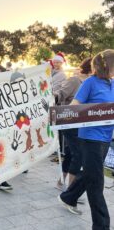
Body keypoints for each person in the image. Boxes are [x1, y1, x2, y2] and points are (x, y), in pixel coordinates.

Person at [58, 49, 114, 230]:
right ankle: (101, 226)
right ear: (108, 65)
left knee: (91, 174)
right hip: (90, 139)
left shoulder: (112, 83)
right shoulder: (90, 83)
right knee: (97, 183)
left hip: (105, 138)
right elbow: (74, 108)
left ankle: (68, 196)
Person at [54, 58, 92, 190]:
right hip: (69, 122)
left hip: (82, 123)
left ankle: (61, 181)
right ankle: (71, 189)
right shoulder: (75, 80)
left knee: (71, 153)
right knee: (79, 154)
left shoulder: (92, 83)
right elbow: (60, 95)